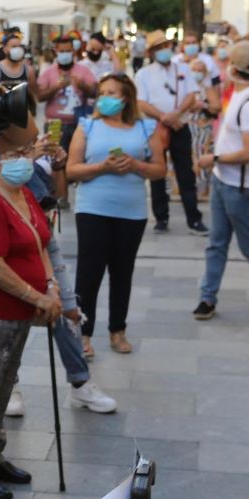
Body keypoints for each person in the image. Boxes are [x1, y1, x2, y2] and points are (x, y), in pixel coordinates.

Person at [0, 138, 60, 486]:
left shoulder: (25, 194)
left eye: (25, 152)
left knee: (4, 385)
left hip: (20, 313)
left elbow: (40, 242)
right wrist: (37, 296)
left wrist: (51, 286)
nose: (23, 160)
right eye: (13, 155)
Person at [66, 73, 166, 356]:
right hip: (93, 208)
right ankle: (83, 334)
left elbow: (161, 169)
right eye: (102, 92)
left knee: (123, 272)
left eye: (112, 93)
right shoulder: (87, 126)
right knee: (89, 272)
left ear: (126, 98)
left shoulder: (146, 127)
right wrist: (102, 168)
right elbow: (72, 170)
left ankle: (117, 330)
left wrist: (136, 165)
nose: (105, 98)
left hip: (131, 211)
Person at [194, 40, 249, 320]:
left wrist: (213, 160)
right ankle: (207, 298)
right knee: (216, 243)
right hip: (224, 180)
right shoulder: (242, 93)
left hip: (242, 187)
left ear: (234, 68)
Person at [135, 29, 206, 235]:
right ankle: (161, 217)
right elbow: (142, 102)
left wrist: (176, 114)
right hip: (156, 128)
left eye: (165, 46)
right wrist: (163, 117)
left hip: (180, 127)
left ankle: (193, 218)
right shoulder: (144, 74)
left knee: (186, 173)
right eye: (158, 48)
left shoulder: (182, 69)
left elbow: (192, 95)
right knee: (158, 173)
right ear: (152, 52)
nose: (163, 50)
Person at [34, 33, 97, 148]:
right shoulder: (48, 72)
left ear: (73, 51)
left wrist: (81, 85)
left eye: (68, 51)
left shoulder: (84, 70)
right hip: (54, 124)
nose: (65, 54)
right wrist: (56, 87)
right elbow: (39, 97)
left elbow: (95, 92)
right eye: (62, 51)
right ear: (55, 51)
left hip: (78, 124)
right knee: (54, 157)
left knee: (77, 156)